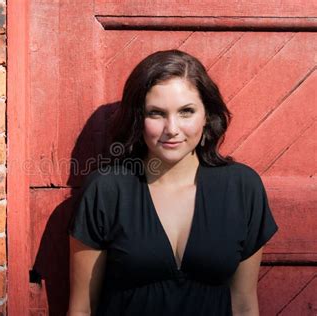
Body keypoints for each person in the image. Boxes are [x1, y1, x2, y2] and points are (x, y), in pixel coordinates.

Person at [67, 50, 278, 315]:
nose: (172, 128)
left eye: (186, 111)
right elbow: (82, 309)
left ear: (206, 115)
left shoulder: (242, 188)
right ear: (137, 118)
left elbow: (244, 305)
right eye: (156, 113)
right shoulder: (107, 190)